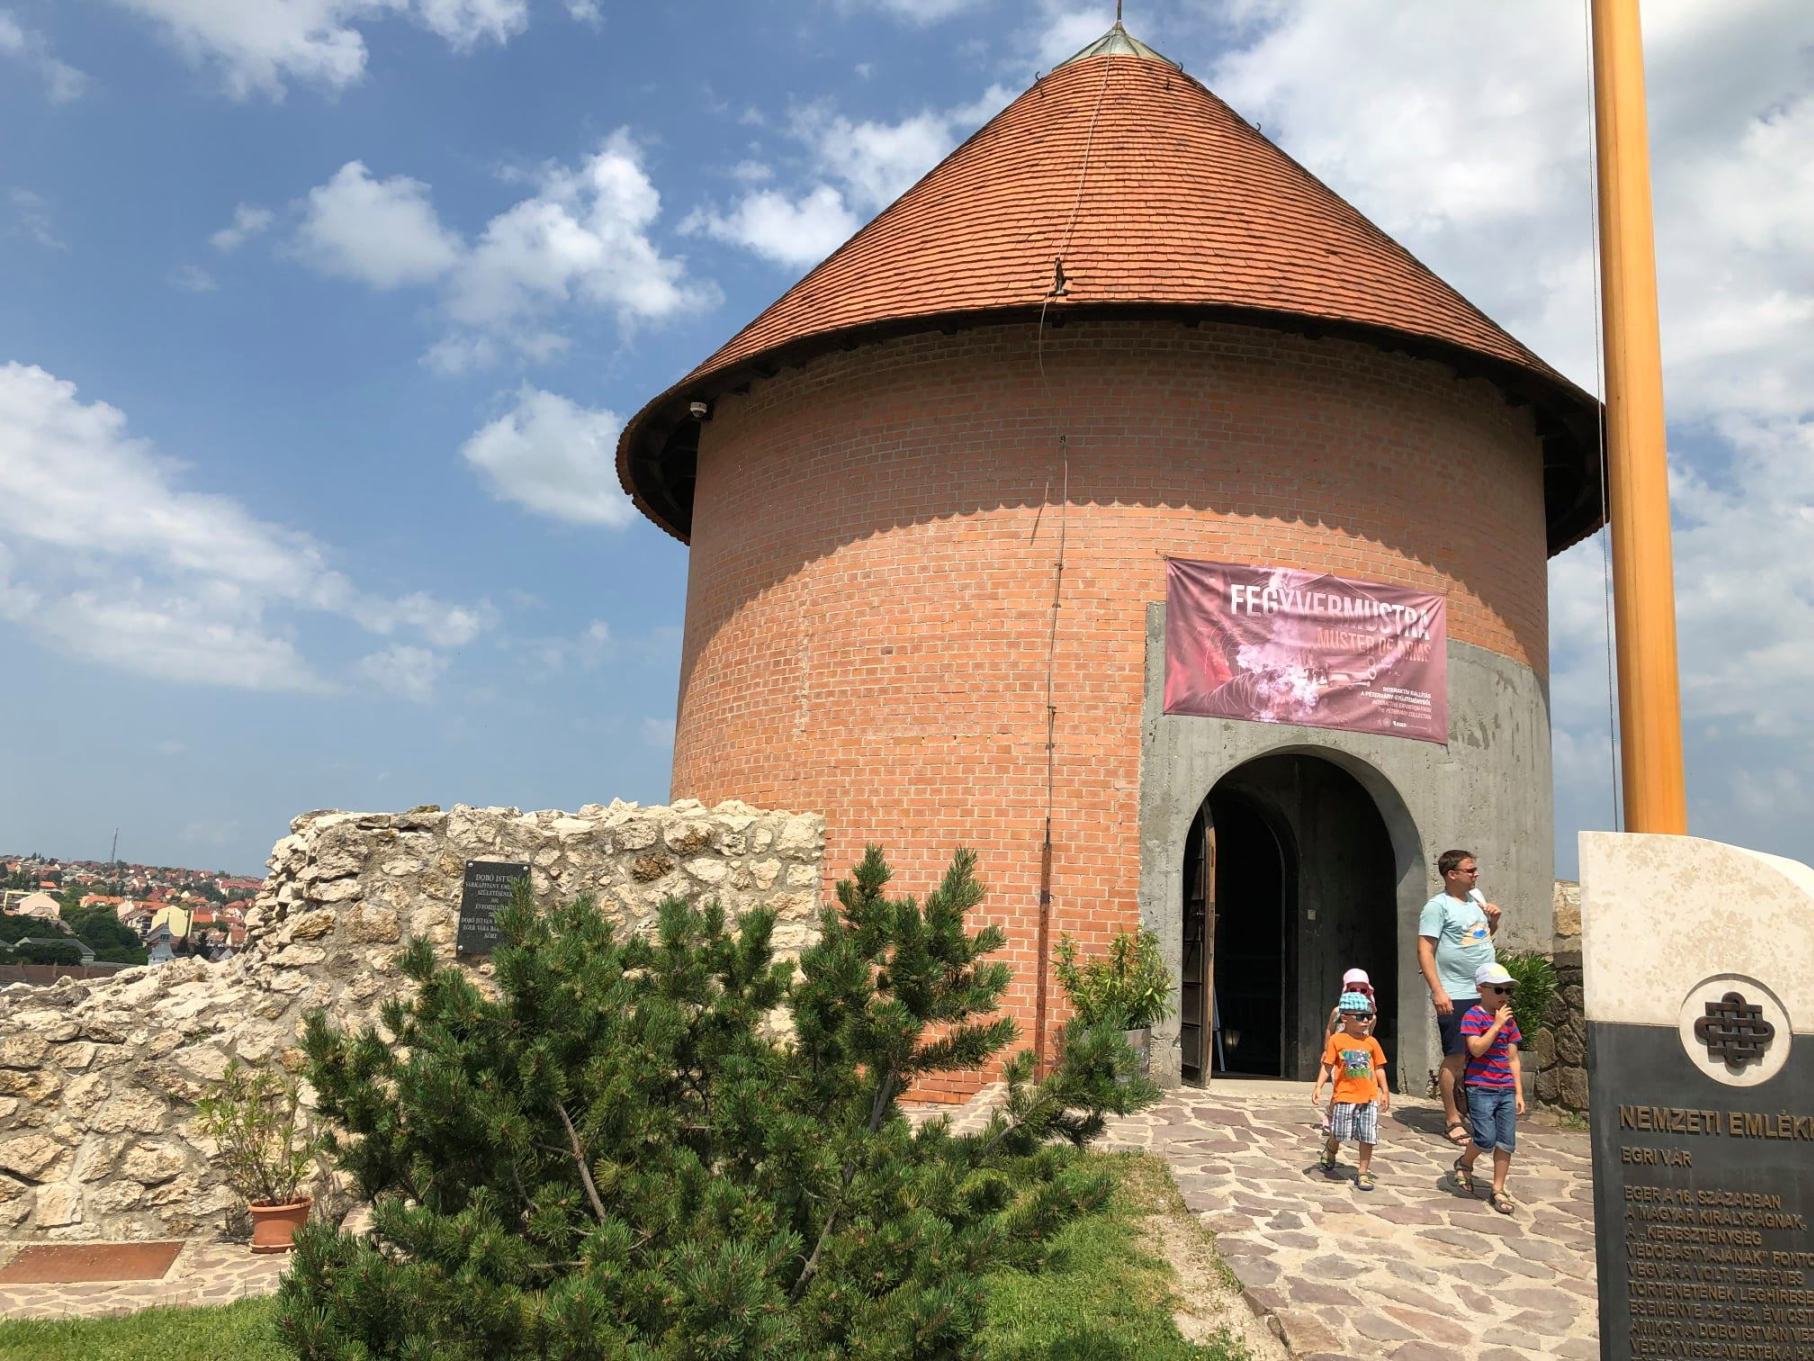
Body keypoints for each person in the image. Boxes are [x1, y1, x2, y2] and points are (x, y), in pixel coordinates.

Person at [1417, 849, 1501, 1145]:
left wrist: (1494, 921)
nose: (1476, 874)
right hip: (1455, 992)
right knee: (1455, 1056)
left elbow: (1482, 937)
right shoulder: (1437, 907)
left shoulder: (1477, 898)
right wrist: (1438, 990)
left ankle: (1477, 1110)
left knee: (1484, 1052)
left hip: (1485, 991)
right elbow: (1425, 949)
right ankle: (1452, 1118)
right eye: (1470, 870)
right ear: (1452, 874)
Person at [1453, 962, 1525, 1214]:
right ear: (1481, 989)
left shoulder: (1509, 1022)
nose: (1504, 995)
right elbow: (1476, 1049)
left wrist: (1518, 1092)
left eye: (1508, 990)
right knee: (1485, 1138)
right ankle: (1464, 1162)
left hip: (1505, 1088)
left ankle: (1498, 1189)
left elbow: (1513, 1057)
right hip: (1480, 1086)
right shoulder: (1473, 1016)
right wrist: (1495, 1025)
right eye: (1498, 989)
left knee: (1506, 1142)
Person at [1311, 990, 1390, 1191]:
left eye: (1369, 1016)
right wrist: (1319, 1086)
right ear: (1345, 1018)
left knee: (1368, 1136)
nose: (1366, 1021)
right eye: (1361, 1017)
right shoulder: (1337, 1041)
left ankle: (1363, 1172)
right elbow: (1328, 1065)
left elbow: (1379, 1067)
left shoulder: (1371, 1042)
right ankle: (1331, 1147)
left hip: (1369, 1097)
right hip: (1345, 1095)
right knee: (1339, 1131)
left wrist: (1385, 1091)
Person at [1325, 967, 1377, 1038]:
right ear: (1346, 991)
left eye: (1363, 991)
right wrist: (1327, 1045)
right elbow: (1330, 1030)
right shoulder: (1338, 1012)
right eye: (1353, 990)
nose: (1358, 993)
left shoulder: (1372, 1017)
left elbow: (1369, 1037)